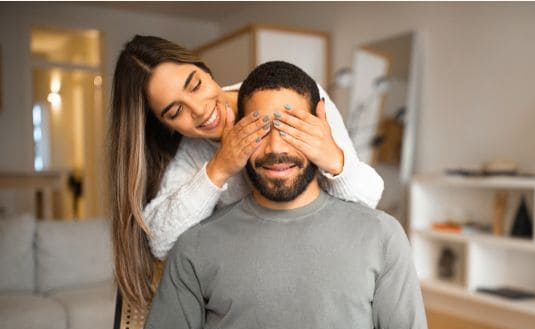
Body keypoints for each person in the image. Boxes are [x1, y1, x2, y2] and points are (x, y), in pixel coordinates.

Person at [131, 60, 434, 329]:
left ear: (320, 124)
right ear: (236, 134)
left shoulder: (380, 234)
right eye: (258, 129)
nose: (275, 148)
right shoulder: (195, 246)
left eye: (290, 126)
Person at [108, 35, 384, 310]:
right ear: (163, 124)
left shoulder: (294, 98)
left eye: (195, 85)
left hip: (328, 275)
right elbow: (160, 240)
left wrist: (332, 157)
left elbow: (365, 203)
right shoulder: (195, 150)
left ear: (205, 70)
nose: (200, 110)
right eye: (175, 111)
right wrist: (220, 168)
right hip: (260, 290)